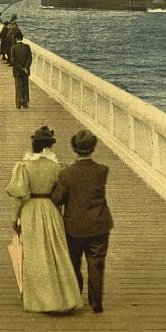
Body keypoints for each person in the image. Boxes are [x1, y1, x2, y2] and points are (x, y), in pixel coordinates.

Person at [6, 126, 80, 313]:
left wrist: (14, 218)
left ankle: (41, 299)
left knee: (35, 255)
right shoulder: (58, 167)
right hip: (51, 209)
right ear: (50, 147)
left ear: (34, 146)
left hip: (31, 210)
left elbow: (19, 195)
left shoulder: (24, 167)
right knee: (57, 252)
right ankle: (64, 297)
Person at [51, 129, 113, 313]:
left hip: (74, 226)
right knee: (96, 263)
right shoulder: (102, 170)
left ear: (74, 148)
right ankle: (96, 301)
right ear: (93, 147)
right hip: (99, 223)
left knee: (74, 262)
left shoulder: (66, 173)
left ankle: (76, 295)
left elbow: (58, 199)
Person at [10, 30, 32, 109]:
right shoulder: (27, 47)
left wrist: (21, 68)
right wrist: (26, 68)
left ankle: (18, 104)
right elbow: (29, 59)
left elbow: (13, 61)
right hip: (26, 71)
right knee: (25, 86)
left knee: (18, 87)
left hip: (17, 71)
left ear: (16, 39)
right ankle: (25, 102)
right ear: (22, 38)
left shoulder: (13, 48)